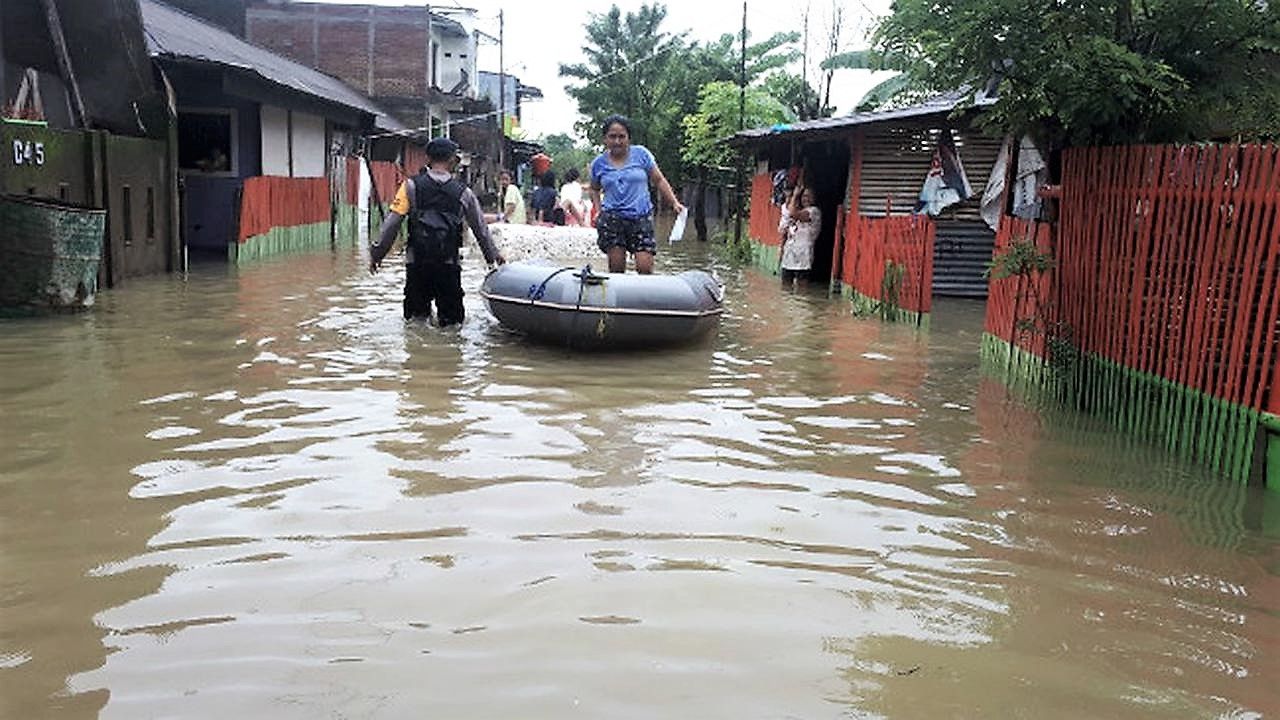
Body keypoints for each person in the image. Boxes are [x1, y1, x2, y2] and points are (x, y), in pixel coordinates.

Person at [369, 137, 506, 325]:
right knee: (452, 325)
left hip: (417, 264)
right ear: (452, 160)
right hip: (449, 265)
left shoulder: (410, 187)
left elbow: (392, 224)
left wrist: (377, 254)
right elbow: (480, 230)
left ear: (427, 159)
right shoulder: (464, 193)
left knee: (415, 322)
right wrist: (493, 258)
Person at [589, 115, 684, 274]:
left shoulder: (641, 155)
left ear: (629, 138)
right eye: (612, 137)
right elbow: (594, 189)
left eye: (622, 137)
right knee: (617, 268)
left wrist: (674, 202)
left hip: (640, 216)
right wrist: (598, 210)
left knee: (644, 267)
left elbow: (659, 180)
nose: (617, 141)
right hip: (612, 218)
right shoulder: (599, 163)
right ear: (605, 139)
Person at [778, 180, 821, 287]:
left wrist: (795, 196)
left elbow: (793, 214)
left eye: (809, 196)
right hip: (789, 255)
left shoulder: (814, 212)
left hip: (803, 258)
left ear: (814, 198)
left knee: (802, 289)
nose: (805, 199)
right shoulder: (798, 211)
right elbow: (784, 229)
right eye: (803, 196)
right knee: (785, 287)